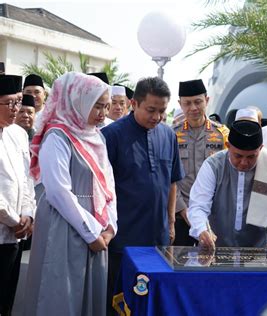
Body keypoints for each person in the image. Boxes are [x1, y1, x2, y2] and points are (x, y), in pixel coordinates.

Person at [23, 72, 117, 315]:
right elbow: (57, 191)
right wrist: (91, 232)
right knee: (61, 294)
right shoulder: (58, 136)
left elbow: (108, 183)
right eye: (97, 105)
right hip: (65, 225)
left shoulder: (95, 136)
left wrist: (110, 227)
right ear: (78, 99)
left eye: (106, 106)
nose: (103, 113)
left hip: (96, 225)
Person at [101, 77, 183, 314]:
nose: (156, 117)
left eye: (162, 111)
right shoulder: (111, 136)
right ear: (133, 103)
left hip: (158, 240)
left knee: (154, 301)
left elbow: (172, 182)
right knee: (120, 303)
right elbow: (101, 189)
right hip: (122, 239)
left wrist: (170, 221)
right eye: (151, 110)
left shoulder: (168, 135)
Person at [188, 120, 267, 249]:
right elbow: (198, 205)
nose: (244, 162)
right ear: (228, 146)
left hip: (259, 252)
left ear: (261, 148)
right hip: (215, 248)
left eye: (251, 157)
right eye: (238, 156)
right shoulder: (213, 166)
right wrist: (201, 229)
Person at [173, 79, 229, 246]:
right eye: (187, 103)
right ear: (180, 104)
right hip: (180, 215)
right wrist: (183, 210)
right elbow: (169, 177)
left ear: (207, 100)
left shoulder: (223, 134)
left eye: (198, 102)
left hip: (213, 215)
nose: (193, 108)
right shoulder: (171, 135)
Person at [0, 75, 35, 316]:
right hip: (8, 227)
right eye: (10, 103)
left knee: (7, 300)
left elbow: (27, 177)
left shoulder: (19, 134)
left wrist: (28, 214)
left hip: (16, 234)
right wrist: (14, 221)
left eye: (19, 102)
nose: (16, 109)